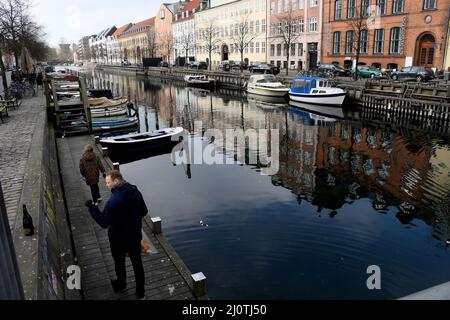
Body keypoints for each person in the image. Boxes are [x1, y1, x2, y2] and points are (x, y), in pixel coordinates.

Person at [85, 170, 148, 300]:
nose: (106, 185)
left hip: (118, 239)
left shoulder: (113, 201)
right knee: (137, 264)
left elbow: (104, 222)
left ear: (116, 181)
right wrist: (132, 221)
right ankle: (141, 293)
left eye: (108, 182)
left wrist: (92, 208)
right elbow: (144, 211)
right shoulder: (136, 192)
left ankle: (122, 285)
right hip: (134, 237)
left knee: (119, 263)